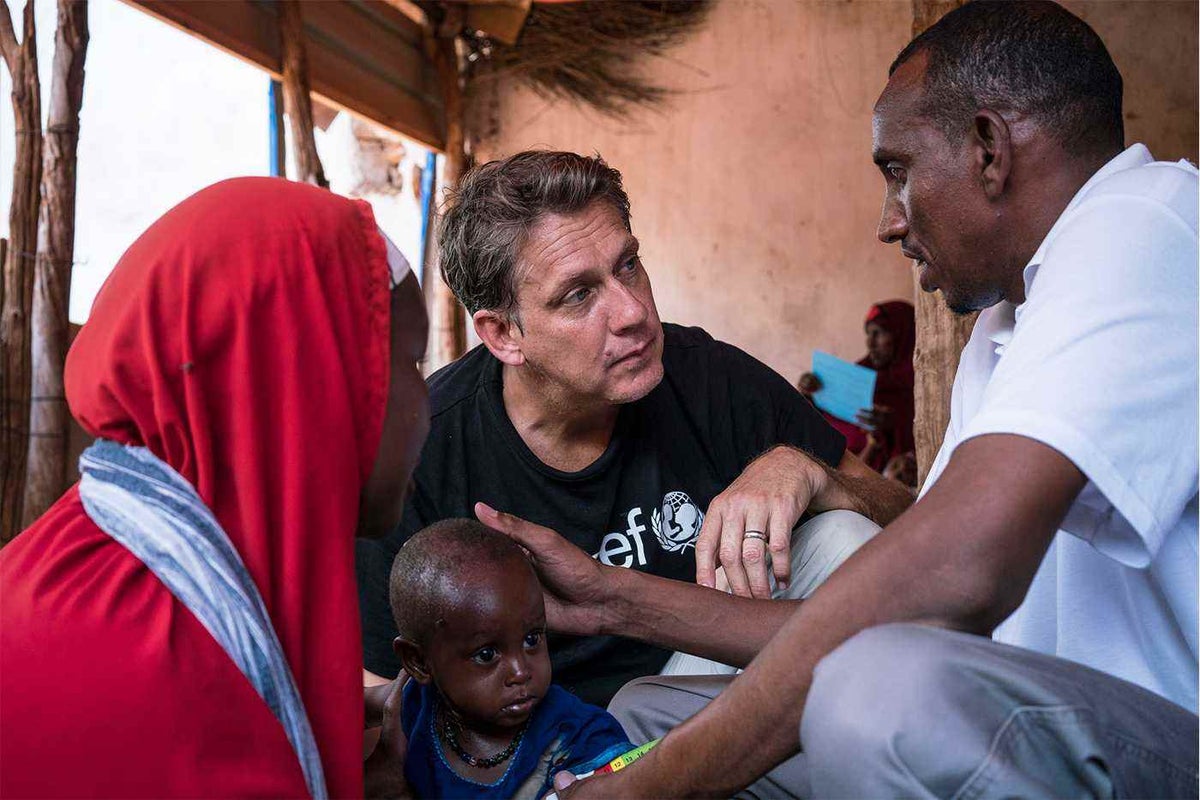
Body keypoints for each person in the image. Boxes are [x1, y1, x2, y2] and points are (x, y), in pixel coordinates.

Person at [477, 2, 1199, 797]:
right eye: (578, 295)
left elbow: (950, 574)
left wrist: (640, 790)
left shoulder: (1149, 223)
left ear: (989, 151)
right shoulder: (1006, 324)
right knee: (655, 711)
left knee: (875, 692)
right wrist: (613, 600)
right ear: (501, 334)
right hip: (1026, 719)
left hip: (1165, 745)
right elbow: (888, 612)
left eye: (898, 172)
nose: (889, 222)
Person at [357, 151, 914, 706]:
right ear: (503, 335)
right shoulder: (424, 444)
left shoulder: (709, 375)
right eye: (578, 295)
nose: (633, 312)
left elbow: (912, 519)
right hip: (540, 747)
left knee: (842, 534)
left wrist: (806, 471)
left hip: (711, 700)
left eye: (628, 265)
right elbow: (384, 687)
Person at [0, 178, 430, 798]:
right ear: (308, 381)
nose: (427, 405)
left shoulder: (83, 569)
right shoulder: (180, 699)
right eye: (411, 362)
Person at [387, 519, 632, 799]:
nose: (521, 671)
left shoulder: (579, 738)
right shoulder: (413, 710)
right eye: (487, 655)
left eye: (532, 639)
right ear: (418, 662)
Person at [799, 299, 916, 482]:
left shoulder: (922, 379)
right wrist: (811, 394)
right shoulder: (858, 375)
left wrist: (894, 422)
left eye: (879, 333)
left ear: (902, 334)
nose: (870, 342)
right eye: (868, 334)